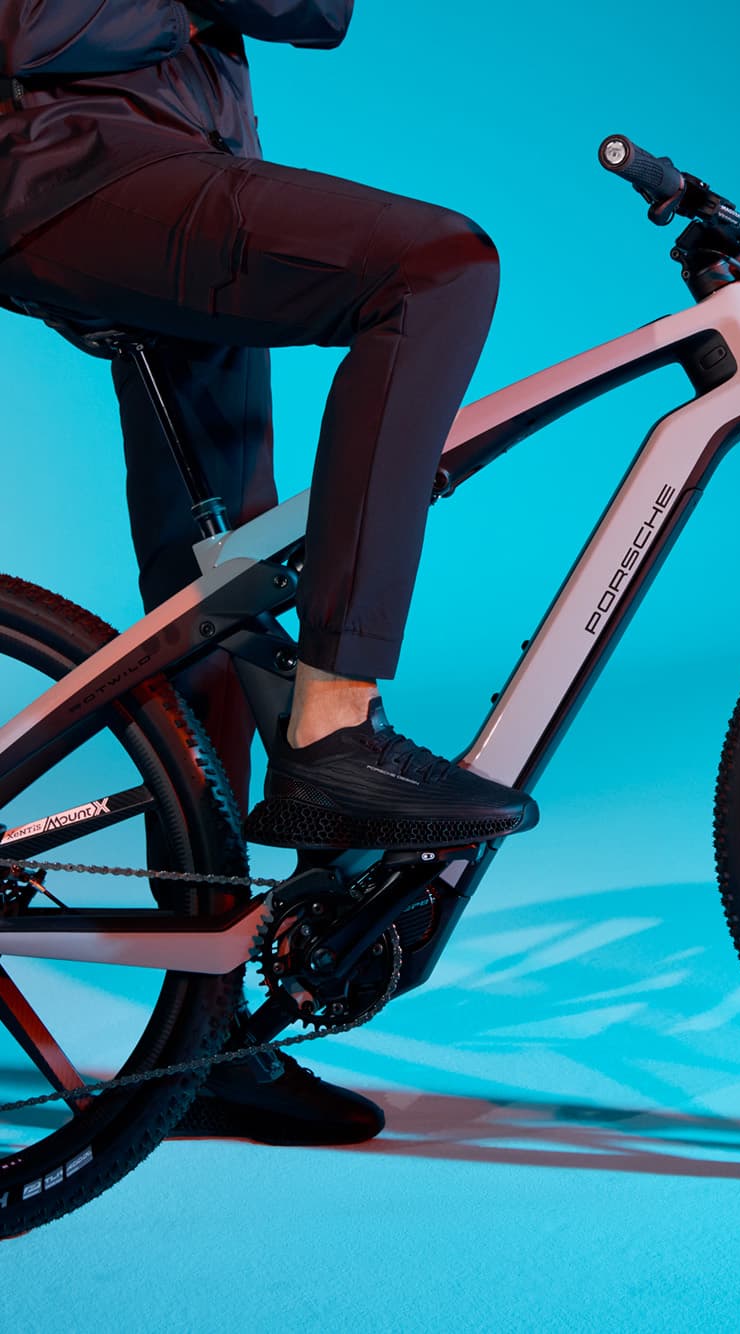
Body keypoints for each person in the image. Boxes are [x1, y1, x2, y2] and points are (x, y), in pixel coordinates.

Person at [0, 2, 538, 1147]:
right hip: (67, 169)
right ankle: (334, 722)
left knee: (223, 584)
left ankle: (206, 1040)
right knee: (437, 270)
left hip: (177, 166)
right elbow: (32, 32)